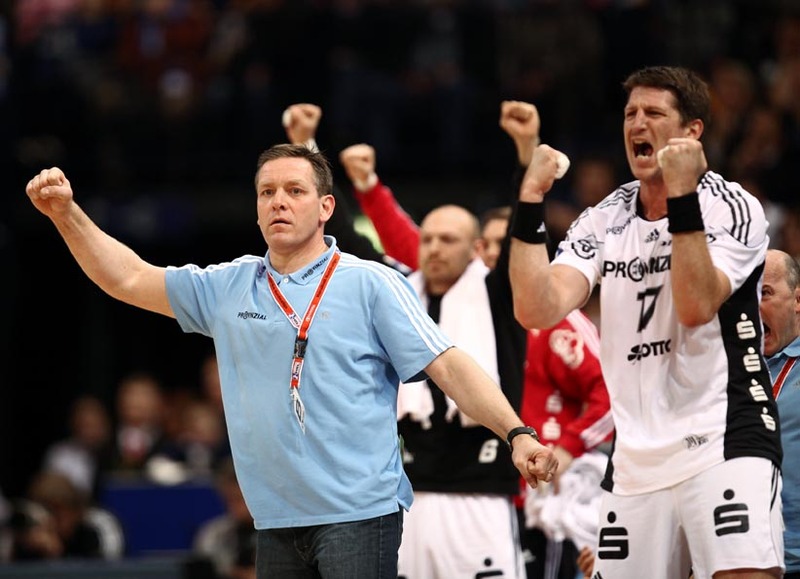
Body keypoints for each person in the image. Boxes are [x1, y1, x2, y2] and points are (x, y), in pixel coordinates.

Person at [25, 144, 557, 578]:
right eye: (267, 192)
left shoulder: (370, 283)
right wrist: (66, 215)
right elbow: (127, 278)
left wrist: (517, 433)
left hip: (359, 515)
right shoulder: (228, 285)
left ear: (325, 207)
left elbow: (449, 366)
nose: (279, 201)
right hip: (274, 519)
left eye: (295, 191)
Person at [509, 65, 783, 578]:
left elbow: (696, 305)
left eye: (654, 112)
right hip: (635, 456)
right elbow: (535, 308)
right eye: (630, 113)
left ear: (692, 131)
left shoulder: (733, 205)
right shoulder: (605, 217)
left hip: (721, 438)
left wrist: (681, 195)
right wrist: (529, 202)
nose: (637, 123)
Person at [339, 100, 612, 579]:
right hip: (408, 490)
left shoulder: (497, 294)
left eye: (448, 241)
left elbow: (519, 237)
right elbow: (353, 243)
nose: (433, 249)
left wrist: (526, 152)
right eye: (428, 240)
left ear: (477, 250)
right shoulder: (401, 290)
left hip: (485, 488)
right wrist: (313, 153)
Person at [760, 249, 800, 579]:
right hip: (746, 557)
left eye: (765, 293)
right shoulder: (729, 369)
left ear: (798, 300)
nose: (753, 306)